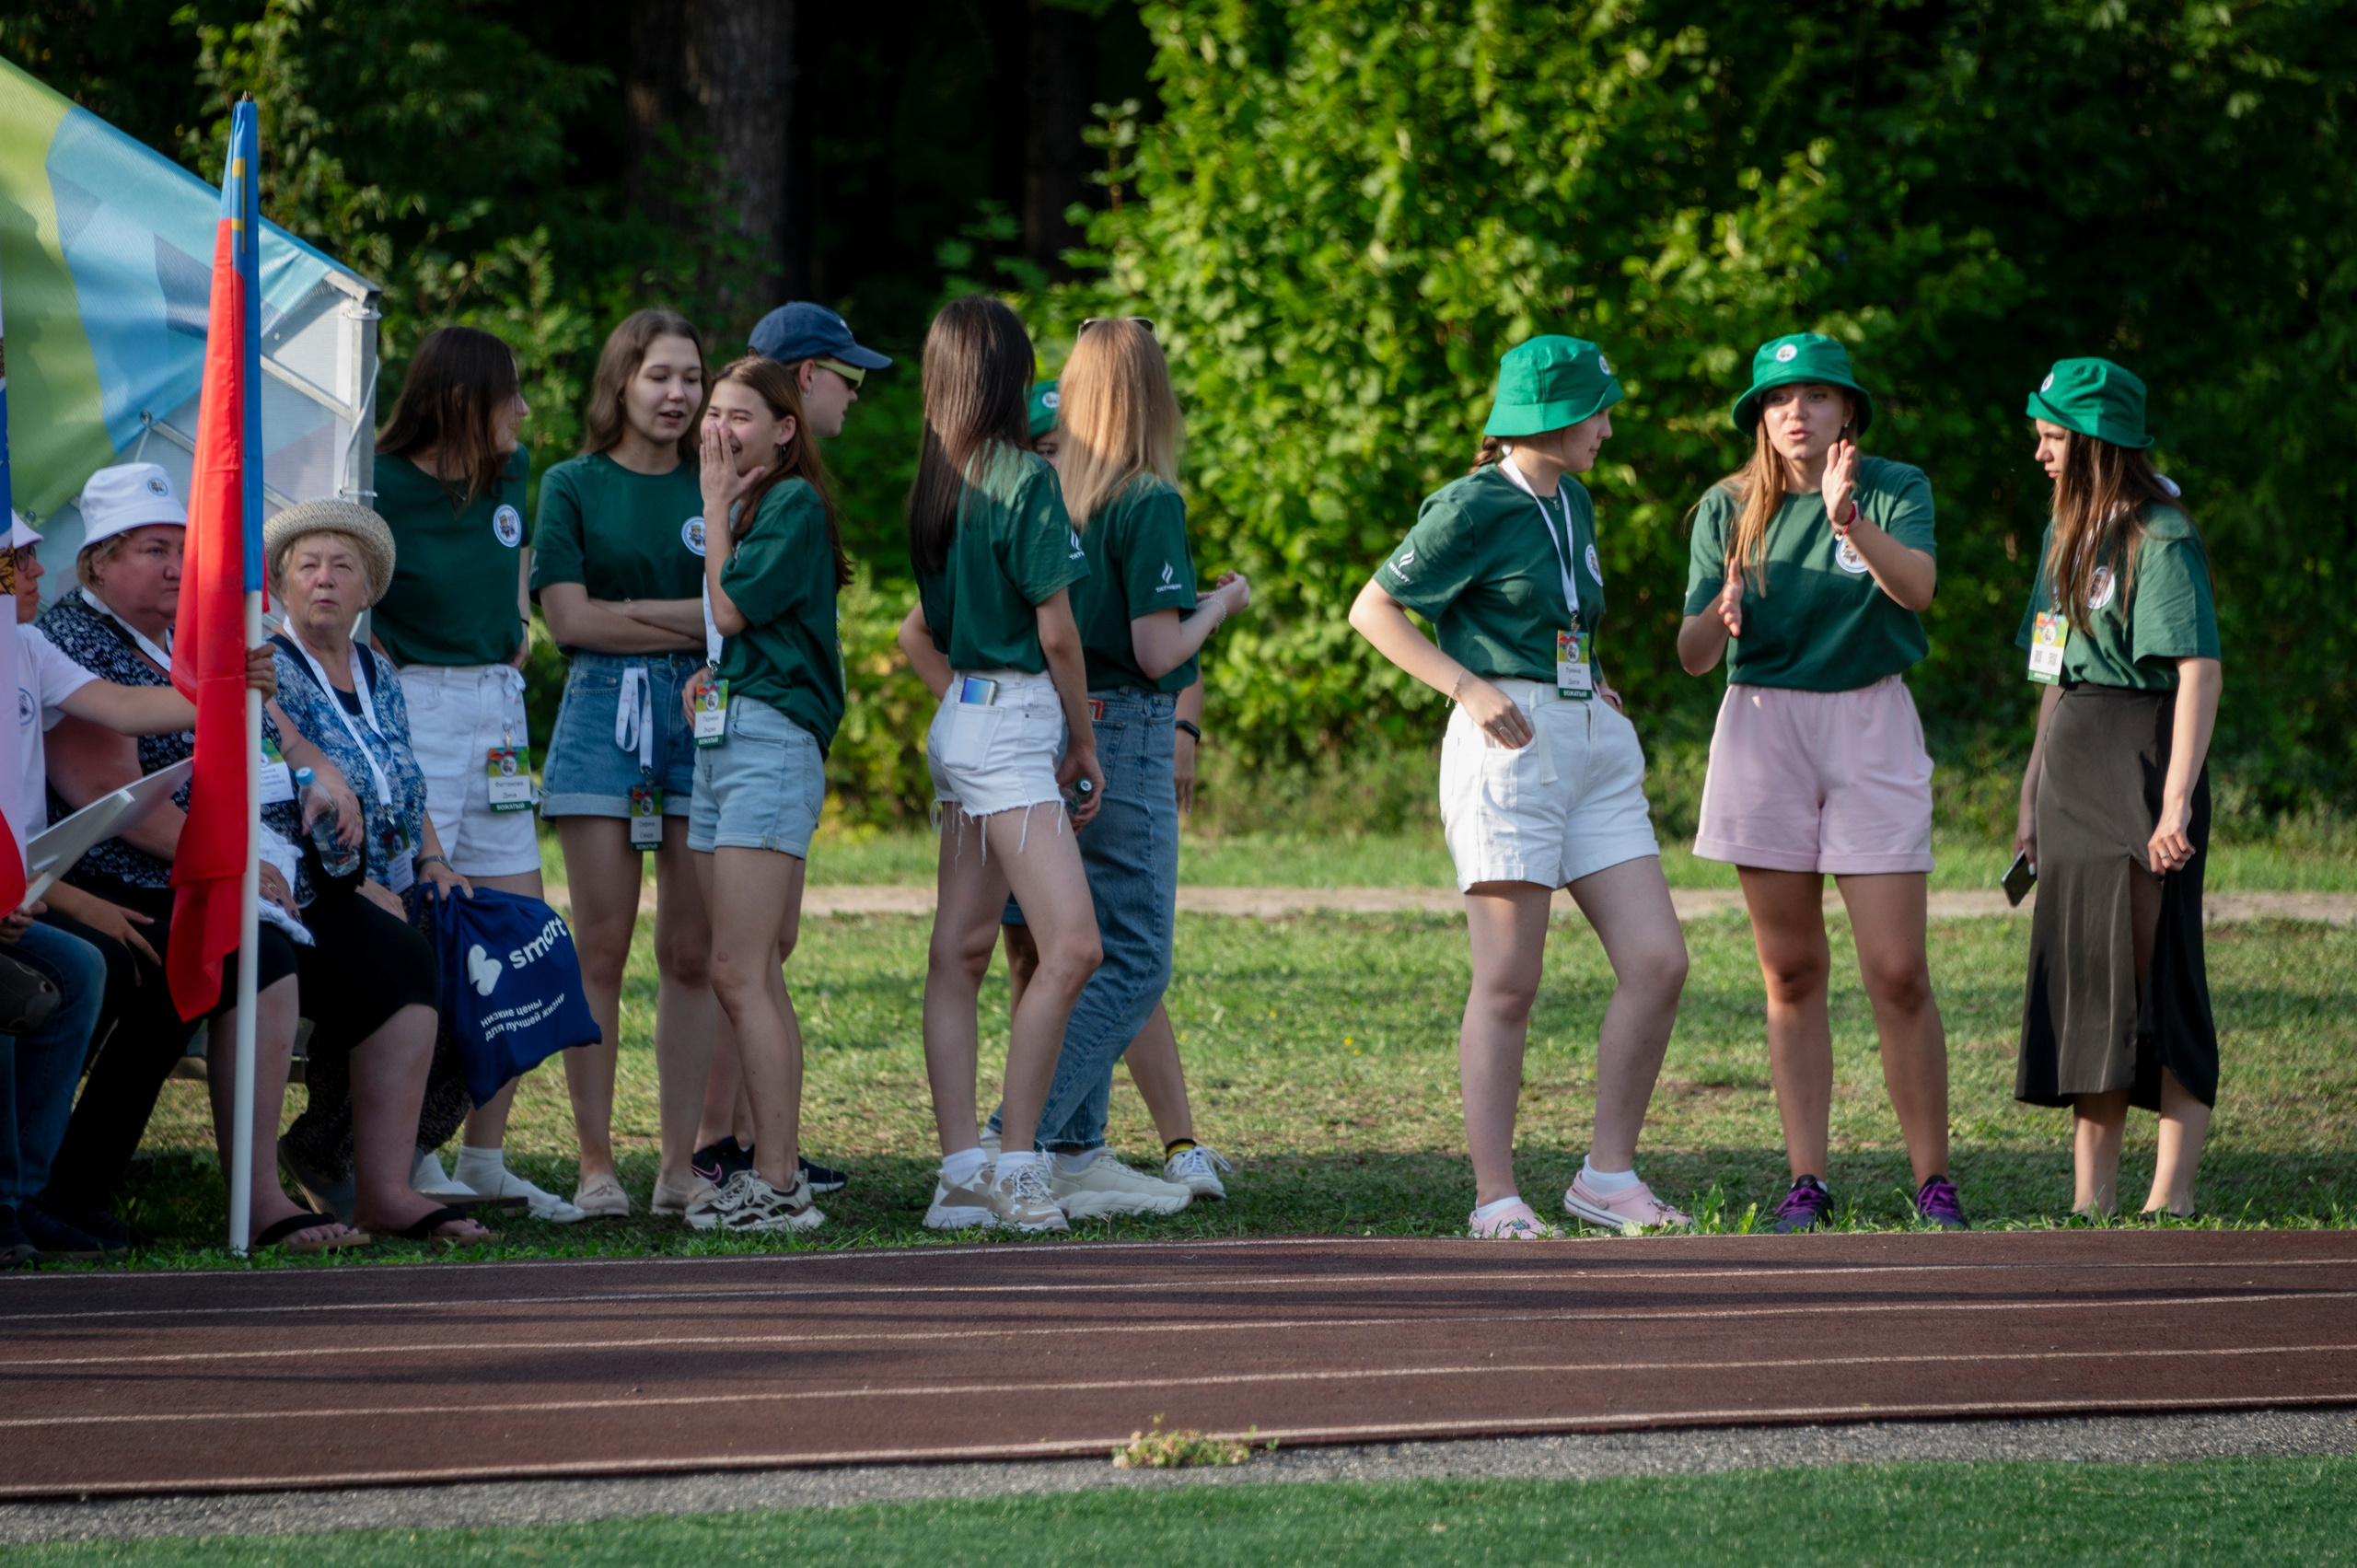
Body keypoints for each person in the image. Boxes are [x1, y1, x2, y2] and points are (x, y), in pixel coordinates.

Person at [1350, 335, 1691, 1238]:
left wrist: (1594, 680)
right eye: (1597, 411)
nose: (1608, 428)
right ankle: (1494, 1196)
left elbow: (1562, 615)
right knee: (1508, 980)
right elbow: (1372, 608)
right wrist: (1465, 683)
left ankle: (1606, 1177)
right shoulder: (1471, 503)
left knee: (1659, 961)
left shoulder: (1571, 498)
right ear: (1551, 418)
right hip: (1507, 749)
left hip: (1589, 741)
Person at [35, 464, 370, 1253]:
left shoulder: (173, 637)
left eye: (183, 549)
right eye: (154, 549)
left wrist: (320, 772)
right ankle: (63, 1187)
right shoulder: (67, 637)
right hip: (101, 874)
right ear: (98, 561)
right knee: (192, 961)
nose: (176, 568)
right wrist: (233, 864)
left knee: (355, 958)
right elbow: (106, 798)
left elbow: (267, 729)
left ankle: (329, 1173)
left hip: (196, 872)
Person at [1676, 333, 1967, 1234]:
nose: (1795, 410)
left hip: (1868, 723)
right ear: (1759, 417)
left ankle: (1933, 1183)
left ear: (1848, 411)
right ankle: (1806, 1179)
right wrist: (1718, 619)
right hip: (1763, 728)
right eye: (1777, 398)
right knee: (1791, 969)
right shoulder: (1726, 505)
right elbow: (1689, 658)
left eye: (1816, 395)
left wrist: (1849, 521)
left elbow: (1915, 590)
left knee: (1897, 968)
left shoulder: (1891, 486)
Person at [980, 345, 1247, 1214]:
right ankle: (1013, 1137)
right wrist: (1222, 605)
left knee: (1076, 947)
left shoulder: (1052, 489)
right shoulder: (1148, 497)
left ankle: (1066, 1150)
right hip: (1125, 726)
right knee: (1132, 957)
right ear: (1154, 396)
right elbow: (1158, 651)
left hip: (1058, 719)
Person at [893, 295, 1104, 1234]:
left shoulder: (933, 482)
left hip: (961, 713)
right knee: (1072, 945)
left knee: (962, 948)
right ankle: (1017, 1161)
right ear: (1013, 374)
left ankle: (960, 1172)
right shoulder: (1023, 477)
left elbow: (927, 628)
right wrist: (1084, 738)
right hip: (1013, 719)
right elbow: (1058, 633)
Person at [371, 325, 583, 1223]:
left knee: (520, 934)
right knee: (422, 934)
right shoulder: (375, 482)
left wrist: (512, 633)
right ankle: (399, 1148)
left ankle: (484, 1153)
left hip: (498, 712)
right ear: (460, 399)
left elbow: (514, 569)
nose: (525, 410)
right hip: (415, 708)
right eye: (511, 393)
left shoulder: (512, 470)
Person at [2010, 359, 2220, 1221]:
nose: (2040, 452)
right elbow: (2051, 676)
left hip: (2142, 761)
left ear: (2094, 442)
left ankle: (2169, 1201)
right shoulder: (2066, 534)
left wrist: (2174, 803)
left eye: (2054, 436)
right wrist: (2029, 795)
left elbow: (2199, 672)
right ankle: (2089, 1207)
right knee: (2089, 982)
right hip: (2071, 772)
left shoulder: (2161, 534)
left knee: (2154, 975)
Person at [263, 500, 493, 1245]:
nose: (325, 580)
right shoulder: (270, 666)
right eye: (309, 565)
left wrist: (432, 858)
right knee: (408, 955)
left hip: (396, 874)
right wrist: (355, 883)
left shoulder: (377, 666)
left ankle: (390, 1161)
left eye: (342, 567)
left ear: (368, 590)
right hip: (315, 883)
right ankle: (348, 1164)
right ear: (281, 584)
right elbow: (286, 784)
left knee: (509, 960)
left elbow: (404, 778)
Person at [531, 308, 719, 1217]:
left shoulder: (719, 485)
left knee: (692, 951)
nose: (677, 393)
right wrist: (680, 613)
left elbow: (735, 614)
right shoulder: (571, 482)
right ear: (621, 381)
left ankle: (679, 1163)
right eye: (659, 376)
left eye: (690, 376)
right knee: (598, 946)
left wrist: (634, 606)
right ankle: (596, 1159)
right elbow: (567, 621)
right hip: (600, 713)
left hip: (704, 713)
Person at [670, 357, 849, 1233]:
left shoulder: (788, 503)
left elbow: (736, 608)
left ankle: (779, 1180)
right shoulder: (756, 503)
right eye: (713, 414)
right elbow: (743, 636)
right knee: (746, 968)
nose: (719, 430)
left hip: (770, 746)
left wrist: (710, 503)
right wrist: (715, 674)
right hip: (735, 733)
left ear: (785, 428)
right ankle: (772, 1172)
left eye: (740, 416)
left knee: (742, 970)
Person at [747, 301, 891, 442]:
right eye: (851, 380)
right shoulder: (764, 463)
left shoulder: (751, 454)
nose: (853, 396)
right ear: (808, 375)